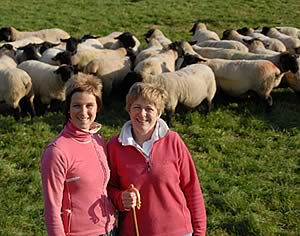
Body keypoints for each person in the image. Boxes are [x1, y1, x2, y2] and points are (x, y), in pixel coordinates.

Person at [107, 82, 207, 236]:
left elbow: (192, 188)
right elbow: (108, 188)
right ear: (128, 109)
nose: (142, 114)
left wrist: (199, 232)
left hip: (178, 231)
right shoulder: (114, 147)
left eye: (149, 109)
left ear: (159, 113)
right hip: (135, 232)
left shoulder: (173, 141)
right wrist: (121, 198)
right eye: (137, 107)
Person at [40, 73, 116, 236]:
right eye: (76, 105)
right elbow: (52, 209)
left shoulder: (99, 142)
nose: (83, 111)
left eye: (89, 105)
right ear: (68, 108)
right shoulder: (57, 152)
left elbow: (103, 188)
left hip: (109, 229)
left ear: (98, 107)